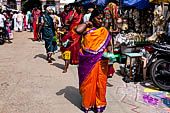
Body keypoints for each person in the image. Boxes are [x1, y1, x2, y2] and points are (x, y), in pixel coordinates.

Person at [76, 8, 115, 113]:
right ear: (93, 18)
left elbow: (109, 45)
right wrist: (86, 23)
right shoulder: (87, 29)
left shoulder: (104, 31)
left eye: (102, 19)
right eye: (98, 18)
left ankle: (99, 104)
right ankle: (87, 104)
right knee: (88, 83)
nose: (101, 21)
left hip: (102, 61)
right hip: (88, 62)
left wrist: (110, 55)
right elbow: (77, 31)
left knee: (100, 84)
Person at [61, 3, 83, 73]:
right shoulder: (72, 12)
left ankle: (76, 60)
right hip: (72, 31)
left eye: (81, 7)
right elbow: (68, 20)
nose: (80, 8)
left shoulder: (81, 14)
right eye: (79, 7)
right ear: (76, 7)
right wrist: (73, 13)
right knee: (70, 46)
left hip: (78, 32)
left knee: (77, 46)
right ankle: (69, 61)